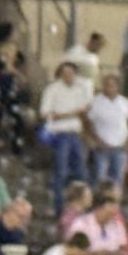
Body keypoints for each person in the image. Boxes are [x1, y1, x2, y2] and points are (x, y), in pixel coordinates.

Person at [39, 63, 92, 211]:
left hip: (76, 134)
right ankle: (59, 208)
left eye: (70, 73)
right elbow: (45, 113)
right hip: (60, 134)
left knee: (81, 172)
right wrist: (70, 114)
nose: (67, 76)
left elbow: (85, 111)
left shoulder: (80, 90)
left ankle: (81, 207)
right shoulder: (52, 89)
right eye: (64, 73)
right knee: (61, 172)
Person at [86, 73, 128, 191]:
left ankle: (115, 206)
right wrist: (97, 141)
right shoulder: (96, 102)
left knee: (118, 179)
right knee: (100, 178)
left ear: (117, 87)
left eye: (112, 85)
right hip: (102, 148)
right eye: (106, 85)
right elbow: (88, 124)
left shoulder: (124, 102)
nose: (109, 88)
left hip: (120, 147)